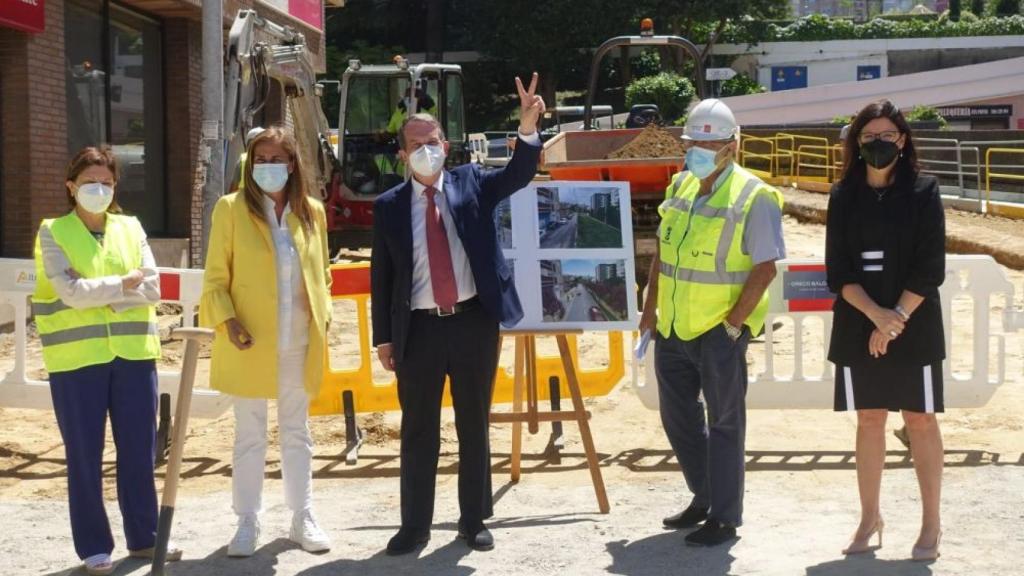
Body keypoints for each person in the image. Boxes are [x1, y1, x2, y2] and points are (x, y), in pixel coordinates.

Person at [370, 73, 545, 555]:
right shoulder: (388, 207)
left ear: (445, 145)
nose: (425, 149)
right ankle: (415, 526)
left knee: (473, 422)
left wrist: (527, 129)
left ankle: (473, 520)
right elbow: (381, 278)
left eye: (432, 141)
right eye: (415, 144)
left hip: (472, 322)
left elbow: (517, 175)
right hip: (419, 331)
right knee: (419, 429)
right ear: (402, 155)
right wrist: (383, 338)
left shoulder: (471, 184)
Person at [638, 99, 786, 547]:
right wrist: (650, 310)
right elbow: (665, 252)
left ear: (732, 146)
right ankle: (703, 496)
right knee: (677, 416)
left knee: (724, 422)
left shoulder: (754, 196)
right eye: (693, 142)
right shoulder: (680, 186)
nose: (699, 149)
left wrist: (735, 323)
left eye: (710, 142)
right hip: (674, 327)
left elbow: (765, 267)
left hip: (719, 331)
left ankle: (724, 517)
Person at [32, 146, 180, 575]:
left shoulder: (131, 227)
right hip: (77, 362)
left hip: (134, 357)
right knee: (85, 455)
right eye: (89, 181)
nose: (98, 189)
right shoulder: (52, 232)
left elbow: (153, 289)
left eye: (106, 182)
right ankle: (94, 546)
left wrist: (101, 290)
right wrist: (124, 284)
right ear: (70, 186)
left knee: (137, 450)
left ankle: (144, 537)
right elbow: (70, 294)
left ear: (115, 187)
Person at [200, 126, 334, 557]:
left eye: (279, 159)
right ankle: (247, 521)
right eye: (262, 159)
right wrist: (228, 321)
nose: (270, 167)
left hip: (299, 341)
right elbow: (215, 280)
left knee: (298, 432)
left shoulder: (312, 211)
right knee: (250, 434)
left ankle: (302, 516)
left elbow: (323, 275)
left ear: (293, 165)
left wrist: (324, 316)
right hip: (250, 342)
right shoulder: (230, 210)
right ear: (249, 164)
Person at [825, 99, 945, 562]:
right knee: (870, 419)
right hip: (861, 323)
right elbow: (839, 271)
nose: (879, 144)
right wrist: (876, 316)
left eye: (887, 136)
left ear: (903, 140)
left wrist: (894, 319)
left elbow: (929, 267)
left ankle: (931, 522)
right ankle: (870, 516)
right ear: (857, 143)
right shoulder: (843, 196)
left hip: (914, 323)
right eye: (869, 136)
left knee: (920, 420)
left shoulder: (924, 191)